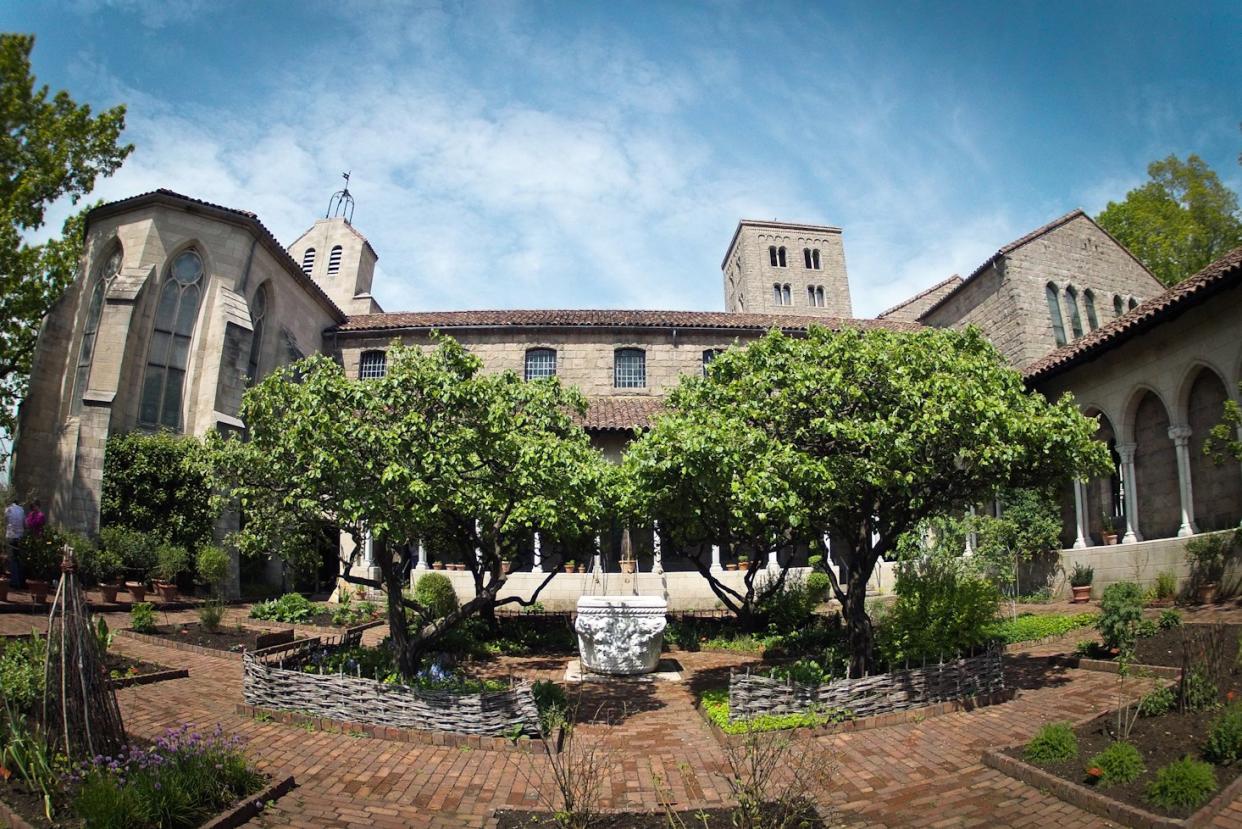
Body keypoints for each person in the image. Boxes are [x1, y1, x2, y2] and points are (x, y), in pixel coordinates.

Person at [5, 497, 26, 589]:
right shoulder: (21, 510)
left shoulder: (8, 509)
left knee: (12, 559)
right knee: (18, 559)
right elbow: (24, 523)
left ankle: (14, 582)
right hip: (19, 536)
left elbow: (5, 521)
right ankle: (21, 581)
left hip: (11, 536)